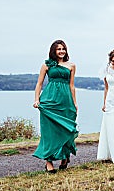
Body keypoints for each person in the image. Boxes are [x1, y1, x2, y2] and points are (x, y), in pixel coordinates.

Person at [33, 40, 78, 173]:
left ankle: (65, 157)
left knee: (66, 129)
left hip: (66, 101)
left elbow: (72, 85)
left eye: (63, 49)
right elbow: (39, 84)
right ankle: (49, 162)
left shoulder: (71, 65)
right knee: (49, 132)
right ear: (54, 51)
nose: (61, 51)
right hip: (49, 101)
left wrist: (75, 102)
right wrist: (36, 100)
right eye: (58, 49)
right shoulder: (46, 65)